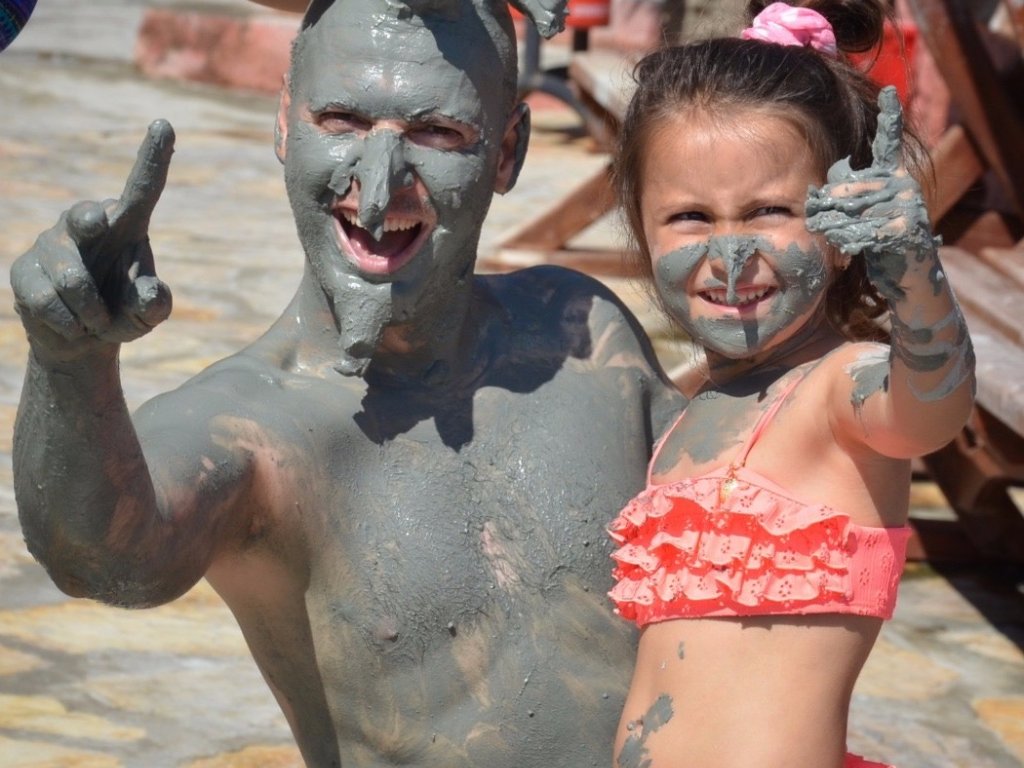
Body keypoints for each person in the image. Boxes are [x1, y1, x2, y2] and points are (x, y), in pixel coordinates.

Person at [9, 1, 684, 766]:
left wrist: (837, 308)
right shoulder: (254, 431)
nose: (377, 185)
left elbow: (756, 475)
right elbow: (106, 557)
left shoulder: (577, 331)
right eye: (341, 122)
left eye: (438, 134)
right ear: (284, 129)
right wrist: (70, 364)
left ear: (507, 152)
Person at [605, 1, 975, 766]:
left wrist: (914, 276)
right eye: (689, 217)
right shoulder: (698, 407)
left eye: (769, 211)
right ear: (639, 227)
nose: (731, 253)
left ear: (840, 232)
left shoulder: (839, 391)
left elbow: (928, 410)